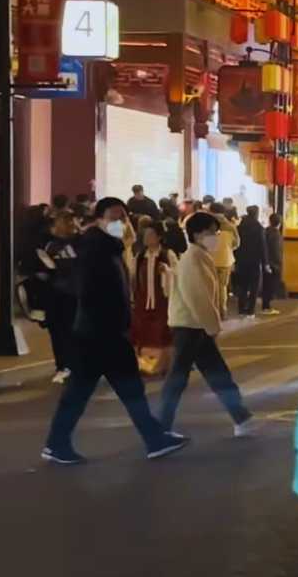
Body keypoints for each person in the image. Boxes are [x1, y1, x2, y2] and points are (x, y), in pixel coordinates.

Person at [41, 197, 189, 465]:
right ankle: (153, 439)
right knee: (111, 389)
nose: (121, 222)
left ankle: (59, 443)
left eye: (123, 216)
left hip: (102, 332)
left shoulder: (108, 247)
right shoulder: (95, 248)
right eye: (114, 216)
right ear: (99, 219)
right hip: (100, 333)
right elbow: (87, 289)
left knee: (101, 390)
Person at [155, 213, 255, 437]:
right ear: (197, 234)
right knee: (182, 378)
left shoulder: (199, 256)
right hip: (190, 326)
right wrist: (212, 328)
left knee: (212, 374)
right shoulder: (193, 259)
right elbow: (198, 298)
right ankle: (161, 427)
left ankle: (242, 417)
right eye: (211, 232)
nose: (215, 237)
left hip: (193, 326)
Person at [33, 208, 81, 382]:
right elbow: (40, 267)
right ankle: (62, 365)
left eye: (70, 221)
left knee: (75, 330)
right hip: (55, 293)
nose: (67, 225)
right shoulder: (48, 245)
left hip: (76, 294)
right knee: (57, 330)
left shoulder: (80, 243)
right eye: (63, 221)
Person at [128, 217, 174, 376]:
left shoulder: (167, 255)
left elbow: (178, 275)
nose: (147, 238)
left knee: (161, 333)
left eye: (151, 235)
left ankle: (163, 366)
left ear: (159, 237)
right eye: (146, 235)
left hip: (162, 301)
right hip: (143, 301)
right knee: (143, 333)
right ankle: (146, 366)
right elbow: (132, 278)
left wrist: (167, 271)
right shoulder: (140, 256)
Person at [233, 205, 265, 316]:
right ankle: (250, 310)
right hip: (254, 261)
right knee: (254, 287)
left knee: (242, 285)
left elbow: (236, 245)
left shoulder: (239, 227)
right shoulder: (259, 227)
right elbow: (262, 247)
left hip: (241, 261)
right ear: (256, 213)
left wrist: (235, 259)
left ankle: (241, 309)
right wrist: (265, 262)